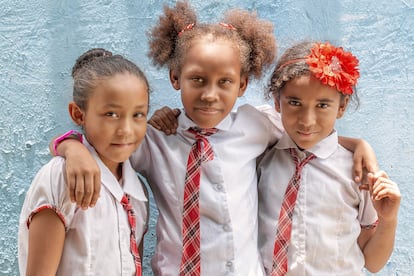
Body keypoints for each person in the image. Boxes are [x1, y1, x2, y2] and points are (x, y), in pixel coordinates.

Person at [50, 2, 377, 275]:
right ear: (176, 78)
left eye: (225, 82)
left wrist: (360, 146)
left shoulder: (257, 125)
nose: (210, 94)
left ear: (243, 86)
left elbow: (309, 132)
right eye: (197, 80)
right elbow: (103, 144)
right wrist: (70, 147)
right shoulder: (154, 138)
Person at [257, 41, 401, 275]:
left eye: (323, 105)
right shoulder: (261, 158)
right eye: (294, 103)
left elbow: (373, 263)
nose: (307, 121)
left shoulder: (359, 172)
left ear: (341, 107)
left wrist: (389, 220)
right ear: (276, 102)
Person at [18, 48, 150, 276]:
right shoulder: (61, 177)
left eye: (138, 114)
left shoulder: (137, 194)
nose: (126, 130)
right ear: (78, 115)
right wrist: (70, 147)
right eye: (111, 114)